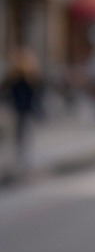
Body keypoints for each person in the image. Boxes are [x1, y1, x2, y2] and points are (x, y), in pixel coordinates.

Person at [1, 47, 42, 182]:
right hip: (21, 109)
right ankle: (22, 158)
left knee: (21, 134)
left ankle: (22, 158)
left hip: (20, 109)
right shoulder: (24, 76)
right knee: (21, 134)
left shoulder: (25, 76)